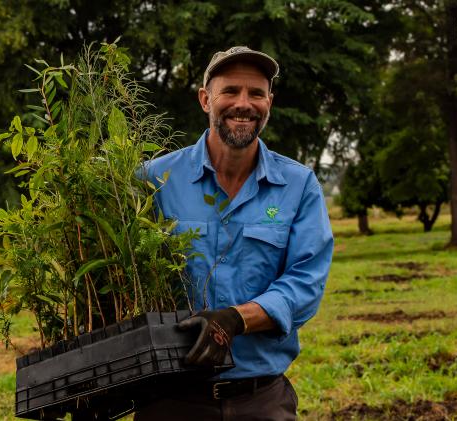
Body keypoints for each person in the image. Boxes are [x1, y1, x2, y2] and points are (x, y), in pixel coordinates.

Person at [137, 46, 334, 420]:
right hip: (168, 399)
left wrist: (235, 319)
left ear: (269, 103)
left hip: (261, 399)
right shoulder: (153, 181)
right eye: (230, 91)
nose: (243, 103)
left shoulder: (298, 185)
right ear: (205, 99)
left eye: (256, 93)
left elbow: (306, 283)